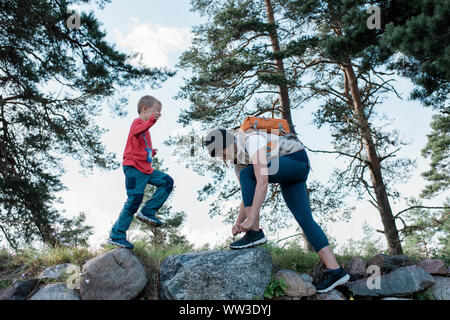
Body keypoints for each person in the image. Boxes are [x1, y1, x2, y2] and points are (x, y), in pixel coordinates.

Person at [205, 127, 349, 293]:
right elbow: (247, 195)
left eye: (223, 153)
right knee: (304, 219)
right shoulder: (238, 163)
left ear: (229, 142)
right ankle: (335, 270)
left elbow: (263, 180)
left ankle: (255, 232)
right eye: (220, 157)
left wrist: (251, 220)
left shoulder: (250, 140)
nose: (224, 158)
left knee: (248, 174)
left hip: (295, 160)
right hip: (289, 173)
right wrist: (238, 222)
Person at [108, 95, 174, 249]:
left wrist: (151, 152)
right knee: (134, 200)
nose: (157, 115)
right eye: (155, 111)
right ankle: (117, 234)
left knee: (167, 182)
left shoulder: (146, 129)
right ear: (144, 110)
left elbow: (140, 145)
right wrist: (152, 121)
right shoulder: (138, 122)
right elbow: (137, 132)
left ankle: (148, 211)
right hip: (134, 168)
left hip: (145, 169)